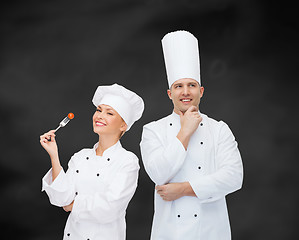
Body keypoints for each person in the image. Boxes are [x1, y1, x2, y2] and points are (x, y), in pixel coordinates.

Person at [140, 30, 243, 240]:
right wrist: (185, 131)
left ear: (201, 91)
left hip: (211, 231)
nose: (185, 92)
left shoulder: (219, 129)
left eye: (191, 85)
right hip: (169, 232)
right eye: (179, 86)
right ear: (170, 93)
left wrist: (185, 189)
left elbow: (234, 177)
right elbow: (158, 174)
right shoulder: (153, 130)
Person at [40, 83, 144, 240]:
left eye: (109, 113)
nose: (100, 116)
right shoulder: (80, 157)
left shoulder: (128, 161)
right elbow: (60, 199)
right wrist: (54, 155)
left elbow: (111, 208)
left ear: (123, 125)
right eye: (98, 110)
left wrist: (74, 205)